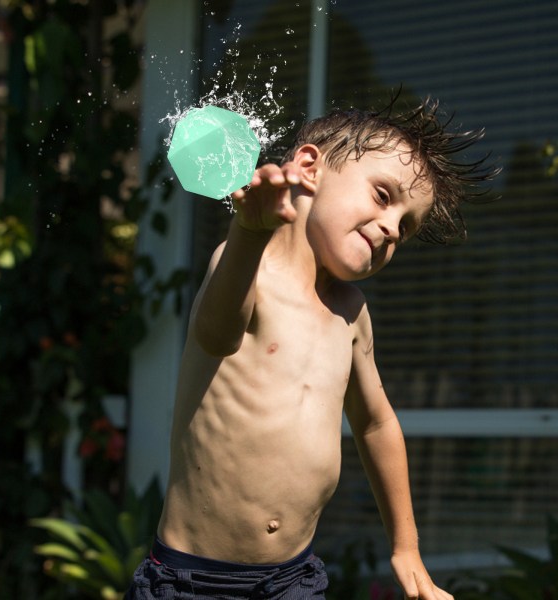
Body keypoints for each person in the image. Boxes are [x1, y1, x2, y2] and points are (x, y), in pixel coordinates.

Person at [125, 98, 497, 599]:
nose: (391, 228)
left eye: (405, 227)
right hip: (193, 580)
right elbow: (217, 335)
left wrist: (405, 548)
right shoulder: (245, 268)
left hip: (292, 580)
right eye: (383, 196)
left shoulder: (351, 313)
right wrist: (247, 234)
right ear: (308, 168)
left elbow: (376, 423)